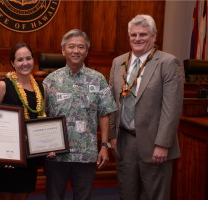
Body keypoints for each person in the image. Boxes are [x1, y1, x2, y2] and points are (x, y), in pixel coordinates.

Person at [109, 14, 184, 200]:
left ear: (154, 36)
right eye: (133, 35)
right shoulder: (118, 63)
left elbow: (172, 108)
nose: (137, 39)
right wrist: (111, 136)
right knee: (126, 193)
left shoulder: (168, 62)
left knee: (155, 195)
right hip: (124, 141)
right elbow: (110, 103)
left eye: (143, 34)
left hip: (154, 143)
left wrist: (162, 144)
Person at [43, 29, 117, 200]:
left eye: (81, 47)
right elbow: (41, 114)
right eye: (71, 46)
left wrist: (105, 145)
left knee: (83, 197)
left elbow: (104, 113)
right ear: (63, 50)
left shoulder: (98, 79)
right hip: (56, 155)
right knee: (54, 196)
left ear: (87, 51)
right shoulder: (51, 80)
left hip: (86, 153)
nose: (76, 51)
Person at [0, 42, 49, 200]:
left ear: (33, 60)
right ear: (12, 63)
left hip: (29, 157)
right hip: (7, 157)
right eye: (20, 59)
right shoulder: (3, 86)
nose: (25, 63)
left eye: (28, 58)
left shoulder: (42, 88)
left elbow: (42, 118)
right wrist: (1, 156)